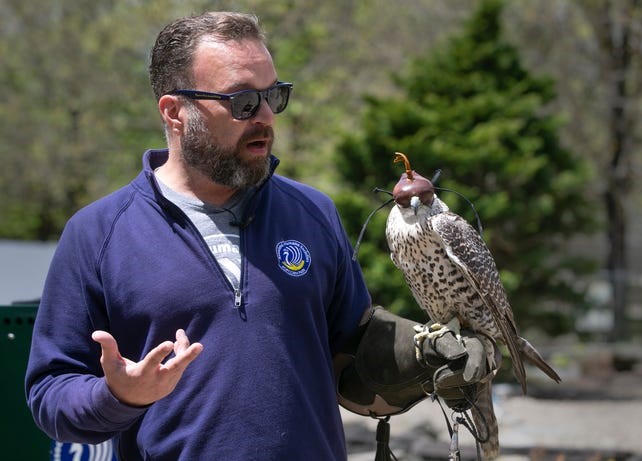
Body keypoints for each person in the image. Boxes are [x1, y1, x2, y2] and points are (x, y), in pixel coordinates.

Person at [25, 12, 498, 460]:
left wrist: (420, 363)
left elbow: (351, 366)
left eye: (274, 96)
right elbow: (50, 395)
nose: (266, 117)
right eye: (243, 102)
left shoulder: (313, 212)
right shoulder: (98, 233)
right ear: (174, 112)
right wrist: (118, 395)